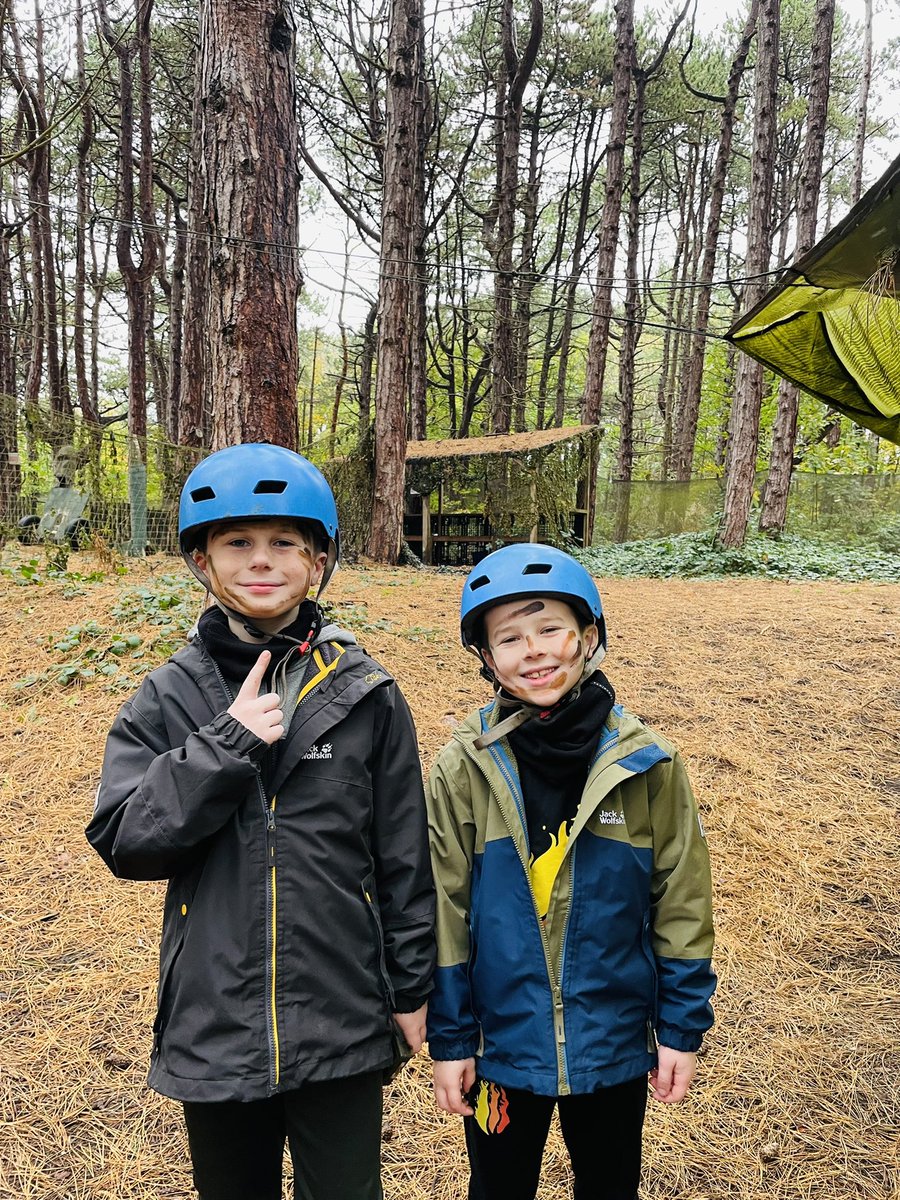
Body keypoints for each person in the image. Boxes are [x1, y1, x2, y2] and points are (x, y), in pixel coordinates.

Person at [87, 443, 435, 1200]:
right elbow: (127, 839)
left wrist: (412, 990)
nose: (262, 560)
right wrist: (227, 743)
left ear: (317, 562)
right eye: (237, 542)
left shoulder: (365, 692)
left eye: (285, 543)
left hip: (340, 1012)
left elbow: (404, 854)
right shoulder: (168, 696)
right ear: (202, 562)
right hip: (216, 1022)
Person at [425, 543, 715, 1200]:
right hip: (501, 1050)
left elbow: (683, 904)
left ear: (588, 636)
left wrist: (680, 1028)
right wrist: (451, 1038)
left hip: (610, 1044)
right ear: (486, 658)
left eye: (549, 627)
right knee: (497, 1187)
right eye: (509, 638)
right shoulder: (461, 770)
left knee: (610, 1185)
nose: (533, 650)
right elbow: (443, 908)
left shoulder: (650, 767)